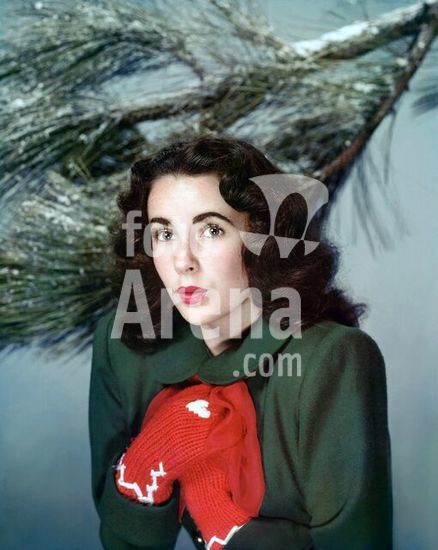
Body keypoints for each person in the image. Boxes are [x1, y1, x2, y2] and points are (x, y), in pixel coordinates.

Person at [88, 135, 392, 549]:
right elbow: (122, 541)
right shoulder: (123, 346)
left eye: (211, 229)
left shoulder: (333, 360)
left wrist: (223, 518)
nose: (182, 261)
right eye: (164, 233)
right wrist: (145, 463)